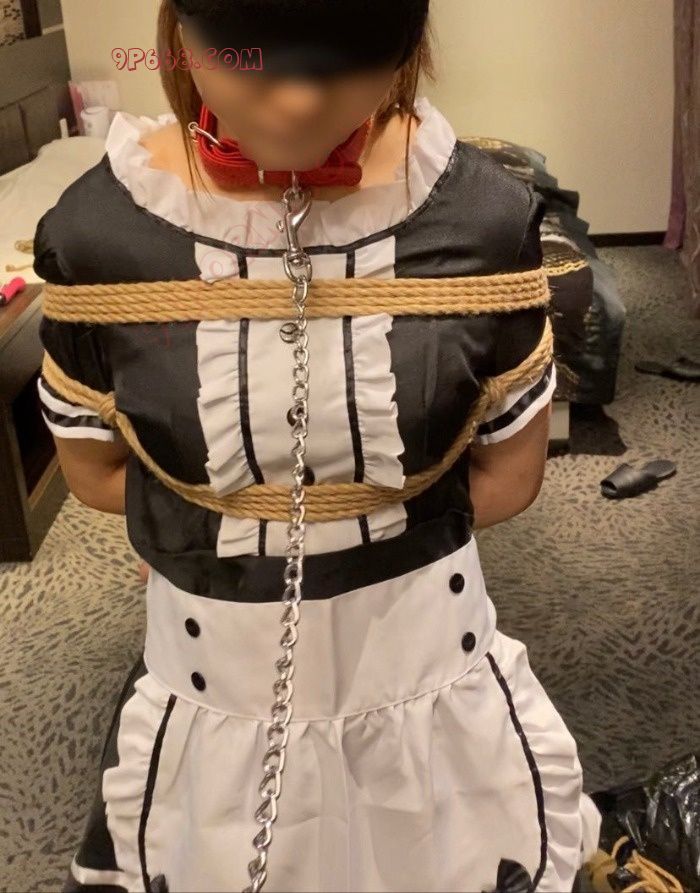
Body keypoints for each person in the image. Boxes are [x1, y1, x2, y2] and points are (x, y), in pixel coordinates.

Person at [34, 1, 602, 890]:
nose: (298, 99)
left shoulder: (487, 221)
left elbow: (510, 474)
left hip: (427, 681)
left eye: (348, 49)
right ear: (180, 27)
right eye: (249, 47)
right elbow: (98, 472)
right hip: (212, 682)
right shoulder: (95, 235)